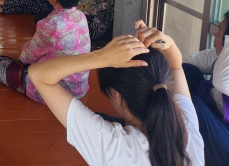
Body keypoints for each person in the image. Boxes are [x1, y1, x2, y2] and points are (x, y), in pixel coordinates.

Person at [29, 21, 205, 166]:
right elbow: (176, 65)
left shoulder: (114, 146)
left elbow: (37, 74)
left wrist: (101, 57)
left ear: (116, 95)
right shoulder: (185, 124)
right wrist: (169, 44)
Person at [0, 0, 90, 103]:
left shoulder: (50, 24)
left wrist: (21, 61)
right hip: (80, 87)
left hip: (55, 90)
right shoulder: (81, 16)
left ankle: (23, 86)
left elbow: (27, 57)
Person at [182, 10, 229, 166]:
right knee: (186, 71)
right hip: (215, 115)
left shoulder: (224, 74)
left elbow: (222, 82)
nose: (215, 34)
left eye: (220, 31)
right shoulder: (217, 56)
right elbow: (186, 62)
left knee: (190, 104)